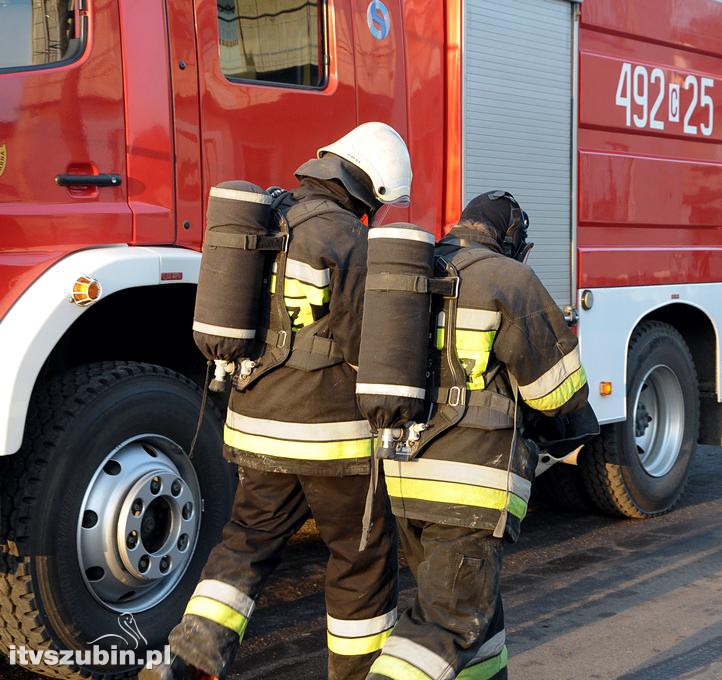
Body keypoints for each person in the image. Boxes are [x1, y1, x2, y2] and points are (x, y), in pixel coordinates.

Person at [143, 122, 412, 680]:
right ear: (369, 188)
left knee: (246, 543)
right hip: (331, 440)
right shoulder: (348, 240)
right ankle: (359, 674)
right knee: (360, 559)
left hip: (253, 427)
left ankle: (190, 658)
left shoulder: (267, 218)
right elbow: (370, 343)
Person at [367, 191, 591, 680]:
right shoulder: (509, 279)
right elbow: (557, 395)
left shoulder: (416, 269)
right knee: (449, 624)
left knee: (479, 616)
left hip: (405, 479)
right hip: (470, 487)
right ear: (510, 238)